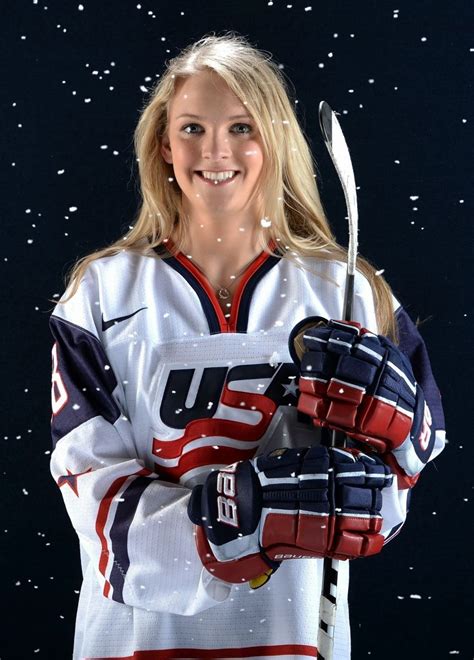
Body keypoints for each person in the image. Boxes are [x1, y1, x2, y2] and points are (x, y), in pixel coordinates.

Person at [49, 32, 446, 660]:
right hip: (133, 642)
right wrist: (237, 520)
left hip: (291, 640)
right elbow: (94, 499)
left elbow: (395, 489)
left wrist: (390, 444)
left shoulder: (348, 292)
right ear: (163, 143)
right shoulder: (99, 294)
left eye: (241, 127)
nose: (215, 151)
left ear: (275, 140)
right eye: (192, 128)